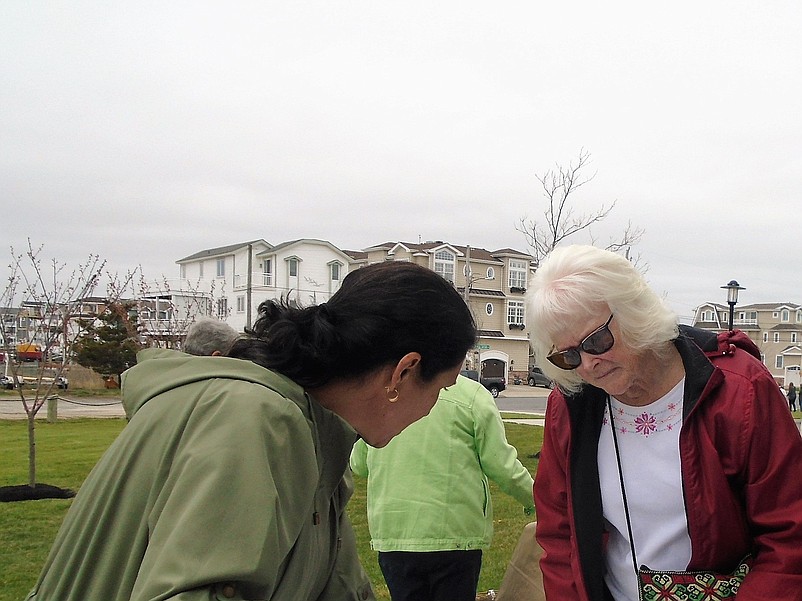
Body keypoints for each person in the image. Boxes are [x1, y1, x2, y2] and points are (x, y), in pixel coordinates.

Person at [25, 261, 477, 601]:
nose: (432, 408)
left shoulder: (319, 442)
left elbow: (336, 586)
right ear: (403, 372)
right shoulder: (255, 421)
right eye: (441, 388)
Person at [525, 245, 802, 601]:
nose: (587, 365)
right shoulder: (570, 407)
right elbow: (559, 535)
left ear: (634, 312)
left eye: (596, 341)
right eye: (568, 355)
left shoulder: (741, 390)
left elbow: (789, 536)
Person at [350, 374, 535, 601]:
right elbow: (502, 465)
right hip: (455, 534)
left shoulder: (383, 395)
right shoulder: (472, 395)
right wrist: (535, 500)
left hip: (394, 533)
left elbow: (358, 464)